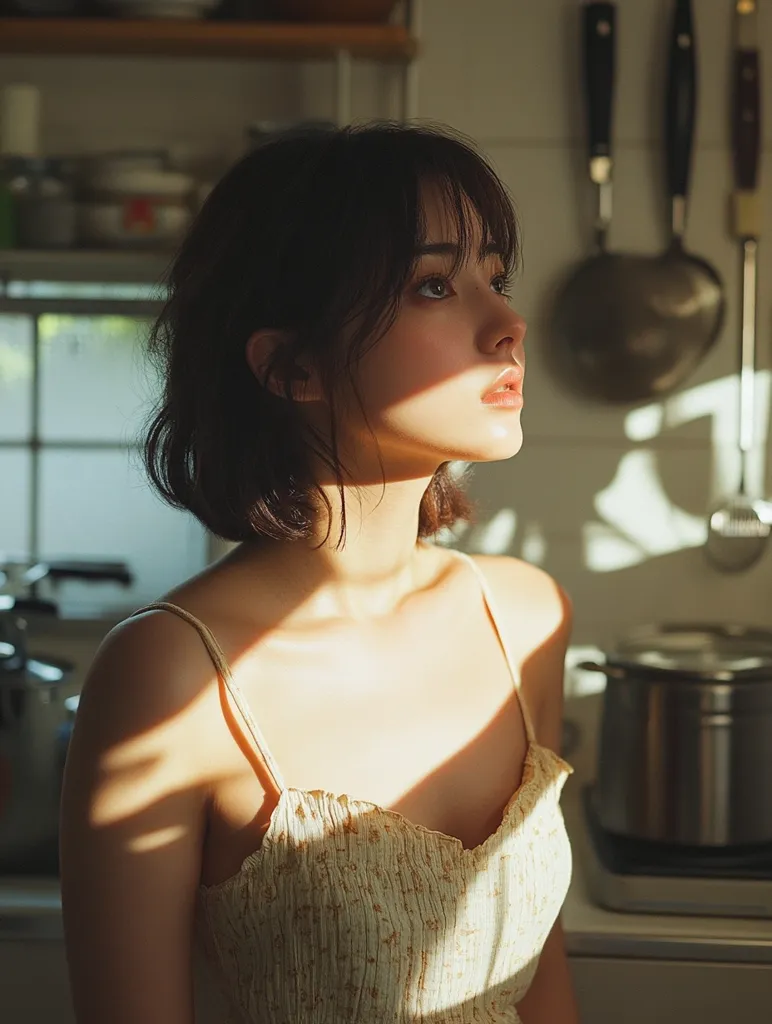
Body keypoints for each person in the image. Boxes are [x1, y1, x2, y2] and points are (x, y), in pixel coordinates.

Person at [60, 121, 580, 1024]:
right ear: (292, 366)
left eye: (495, 279)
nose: (508, 325)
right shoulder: (170, 675)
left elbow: (543, 982)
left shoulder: (524, 617)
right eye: (433, 285)